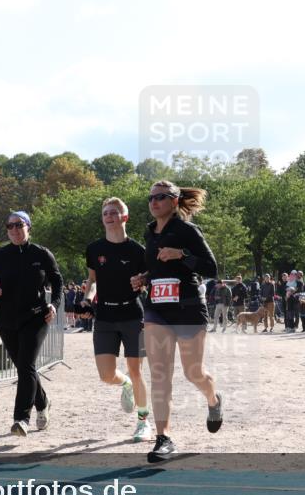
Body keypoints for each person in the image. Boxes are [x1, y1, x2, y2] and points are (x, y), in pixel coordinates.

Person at [129, 180, 222, 462]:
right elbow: (157, 267)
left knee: (193, 373)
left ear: (174, 200)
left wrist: (181, 254)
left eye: (161, 197)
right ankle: (163, 438)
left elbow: (211, 268)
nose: (154, 201)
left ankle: (214, 399)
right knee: (160, 375)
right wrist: (144, 278)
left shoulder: (187, 230)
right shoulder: (149, 232)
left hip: (188, 308)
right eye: (151, 198)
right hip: (157, 308)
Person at [0, 211, 63, 437]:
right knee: (25, 368)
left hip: (36, 318)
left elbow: (57, 280)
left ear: (28, 227)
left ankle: (21, 419)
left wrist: (54, 304)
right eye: (10, 226)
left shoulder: (42, 254)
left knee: (26, 367)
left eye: (19, 225)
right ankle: (43, 403)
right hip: (7, 321)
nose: (14, 229)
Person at [84, 197, 153, 442]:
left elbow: (149, 278)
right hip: (104, 316)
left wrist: (142, 280)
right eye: (105, 213)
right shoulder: (94, 249)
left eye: (114, 212)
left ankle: (144, 422)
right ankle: (125, 385)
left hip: (132, 315)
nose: (109, 215)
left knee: (136, 371)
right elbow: (93, 281)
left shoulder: (138, 250)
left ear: (125, 216)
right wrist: (86, 298)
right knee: (106, 376)